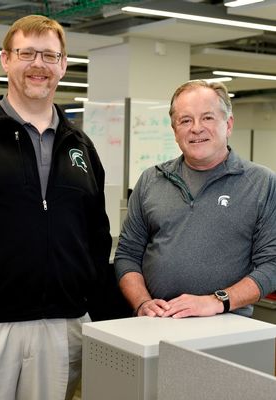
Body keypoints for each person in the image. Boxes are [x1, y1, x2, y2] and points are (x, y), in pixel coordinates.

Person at [0, 15, 111, 400]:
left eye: (50, 56)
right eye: (27, 53)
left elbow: (96, 235)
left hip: (61, 326)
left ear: (63, 66)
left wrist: (88, 305)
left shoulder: (82, 147)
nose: (39, 65)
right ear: (6, 60)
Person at [114, 80, 276, 319]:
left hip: (226, 323)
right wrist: (142, 303)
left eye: (208, 118)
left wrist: (216, 301)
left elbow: (272, 264)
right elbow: (127, 254)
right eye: (185, 120)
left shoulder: (261, 183)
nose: (196, 128)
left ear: (228, 124)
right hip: (158, 321)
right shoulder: (151, 180)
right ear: (175, 130)